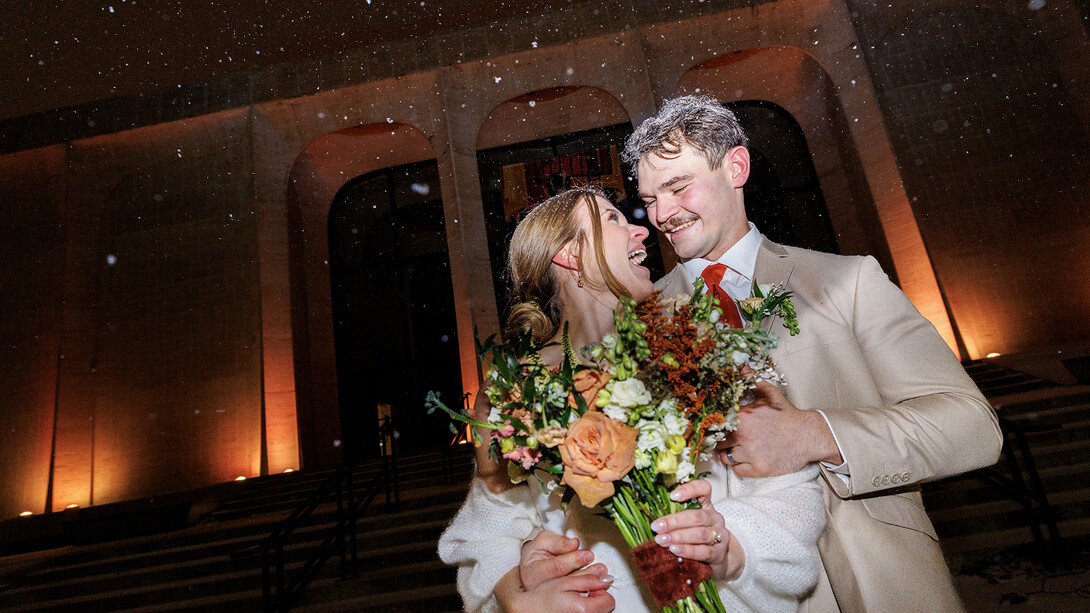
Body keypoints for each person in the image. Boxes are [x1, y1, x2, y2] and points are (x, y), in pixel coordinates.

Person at [620, 96, 1004, 612]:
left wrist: (817, 434)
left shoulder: (848, 281)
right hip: (732, 594)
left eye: (678, 186)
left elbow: (972, 426)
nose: (663, 214)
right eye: (650, 198)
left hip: (881, 583)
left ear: (736, 167)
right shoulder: (642, 328)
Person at [438, 187, 826, 612]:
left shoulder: (700, 348)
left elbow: (790, 496)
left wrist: (731, 550)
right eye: (613, 220)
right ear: (568, 253)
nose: (641, 230)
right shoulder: (515, 393)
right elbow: (486, 534)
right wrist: (511, 593)